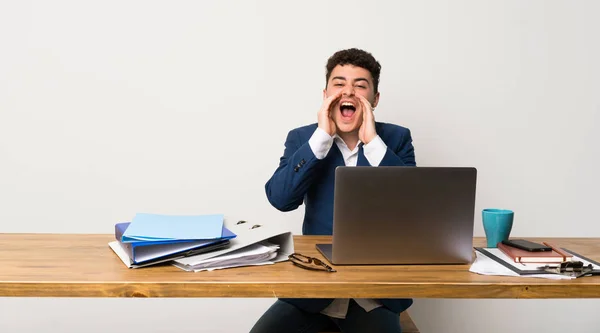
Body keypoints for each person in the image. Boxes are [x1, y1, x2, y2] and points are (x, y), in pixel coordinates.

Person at [250, 48, 416, 333]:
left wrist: (373, 142)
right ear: (326, 94)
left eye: (360, 85)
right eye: (339, 84)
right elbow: (280, 199)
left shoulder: (396, 138)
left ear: (374, 100)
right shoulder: (302, 138)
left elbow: (412, 206)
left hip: (373, 293)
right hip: (313, 289)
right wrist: (322, 139)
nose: (348, 92)